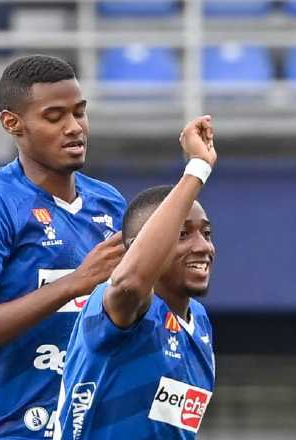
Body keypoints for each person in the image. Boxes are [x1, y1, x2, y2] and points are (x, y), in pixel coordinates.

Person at [0, 54, 126, 439]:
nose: (74, 128)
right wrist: (76, 282)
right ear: (12, 123)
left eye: (79, 113)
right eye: (55, 117)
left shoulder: (110, 206)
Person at [54, 115, 218, 439]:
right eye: (183, 234)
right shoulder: (114, 309)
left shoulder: (199, 323)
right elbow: (131, 282)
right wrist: (198, 168)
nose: (203, 247)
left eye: (207, 233)